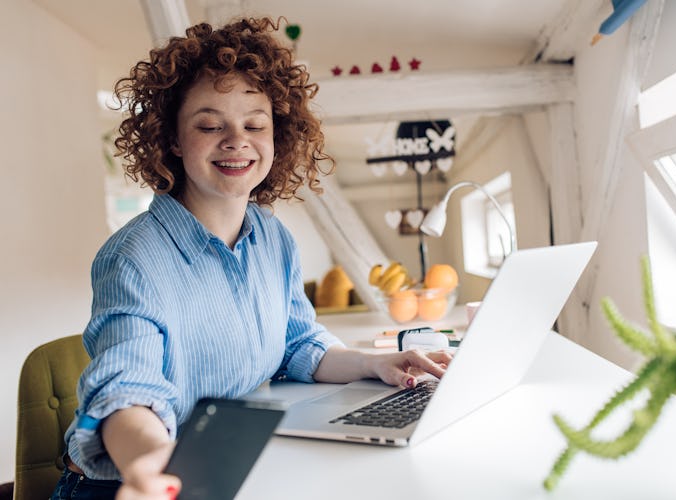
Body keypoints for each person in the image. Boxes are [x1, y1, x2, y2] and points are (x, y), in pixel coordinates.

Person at [52, 16, 452, 500]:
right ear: (173, 140)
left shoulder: (272, 237)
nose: (236, 140)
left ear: (275, 136)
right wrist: (147, 463)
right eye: (209, 125)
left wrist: (377, 364)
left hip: (226, 462)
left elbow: (298, 342)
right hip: (136, 483)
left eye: (254, 124)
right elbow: (126, 389)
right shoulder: (133, 259)